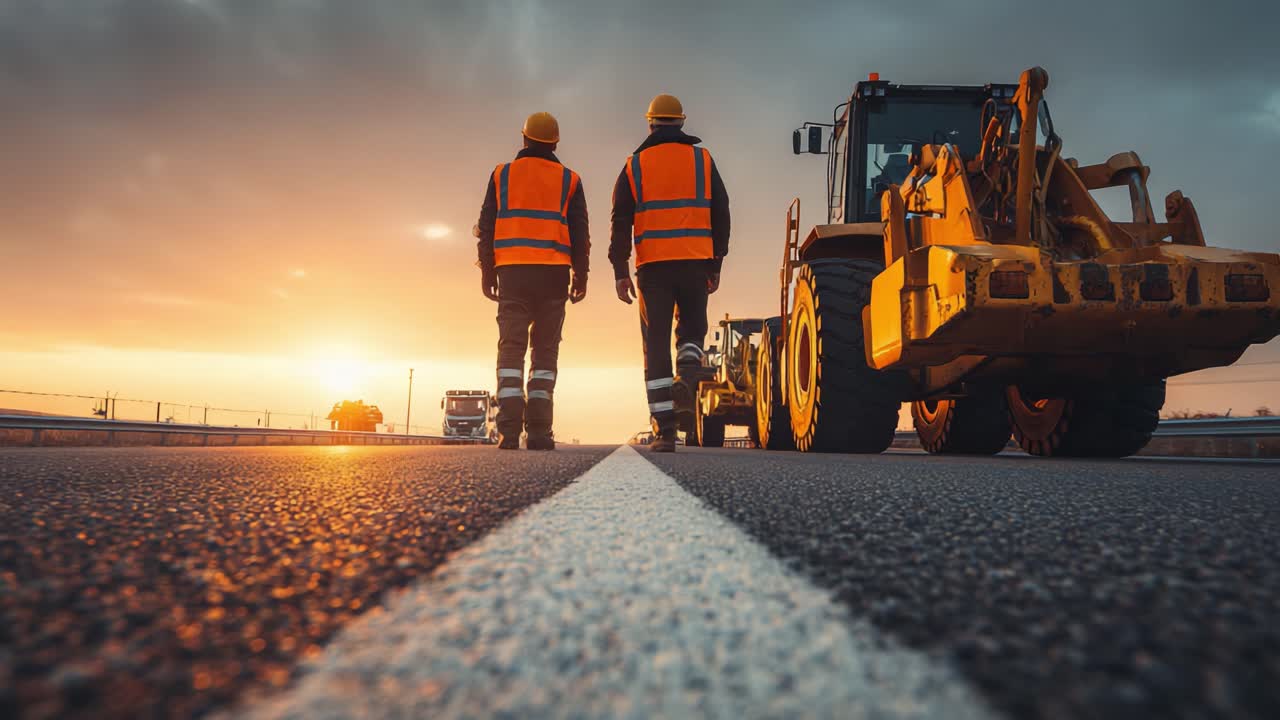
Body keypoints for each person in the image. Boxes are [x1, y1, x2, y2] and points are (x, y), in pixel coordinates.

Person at [610, 94, 730, 453]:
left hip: (653, 268)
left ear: (650, 123)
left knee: (656, 345)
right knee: (692, 332)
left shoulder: (635, 165)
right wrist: (716, 262)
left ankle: (664, 431)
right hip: (695, 263)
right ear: (681, 122)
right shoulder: (702, 160)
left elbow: (620, 221)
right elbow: (721, 212)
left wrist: (620, 270)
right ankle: (688, 371)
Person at [474, 111, 588, 450]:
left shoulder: (501, 175)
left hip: (512, 274)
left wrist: (487, 270)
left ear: (523, 139)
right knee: (545, 353)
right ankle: (538, 431)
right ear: (555, 142)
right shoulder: (570, 180)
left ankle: (509, 431)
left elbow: (486, 227)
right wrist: (581, 275)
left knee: (511, 349)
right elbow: (581, 234)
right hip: (553, 275)